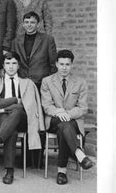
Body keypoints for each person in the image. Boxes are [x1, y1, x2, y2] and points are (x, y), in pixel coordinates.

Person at [0, 52, 44, 184]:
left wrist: (10, 104)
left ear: (18, 65)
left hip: (23, 118)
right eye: (7, 63)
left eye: (14, 63)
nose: (10, 67)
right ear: (3, 65)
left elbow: (31, 105)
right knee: (12, 130)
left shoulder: (27, 83)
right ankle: (9, 172)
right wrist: (15, 100)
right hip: (1, 117)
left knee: (17, 111)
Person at [40, 49, 94, 185]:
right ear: (56, 64)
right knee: (63, 125)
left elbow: (83, 107)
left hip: (73, 120)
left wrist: (67, 114)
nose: (64, 68)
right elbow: (46, 105)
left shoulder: (80, 82)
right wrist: (59, 112)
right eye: (62, 64)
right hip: (53, 119)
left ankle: (62, 171)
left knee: (64, 127)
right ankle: (78, 154)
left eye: (68, 64)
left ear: (72, 65)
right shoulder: (47, 81)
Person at [11, 11, 57, 90]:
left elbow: (53, 63)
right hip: (22, 82)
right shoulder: (15, 41)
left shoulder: (48, 40)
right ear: (23, 24)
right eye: (26, 22)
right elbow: (13, 62)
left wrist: (50, 82)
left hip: (41, 83)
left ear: (38, 24)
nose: (29, 25)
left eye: (32, 22)